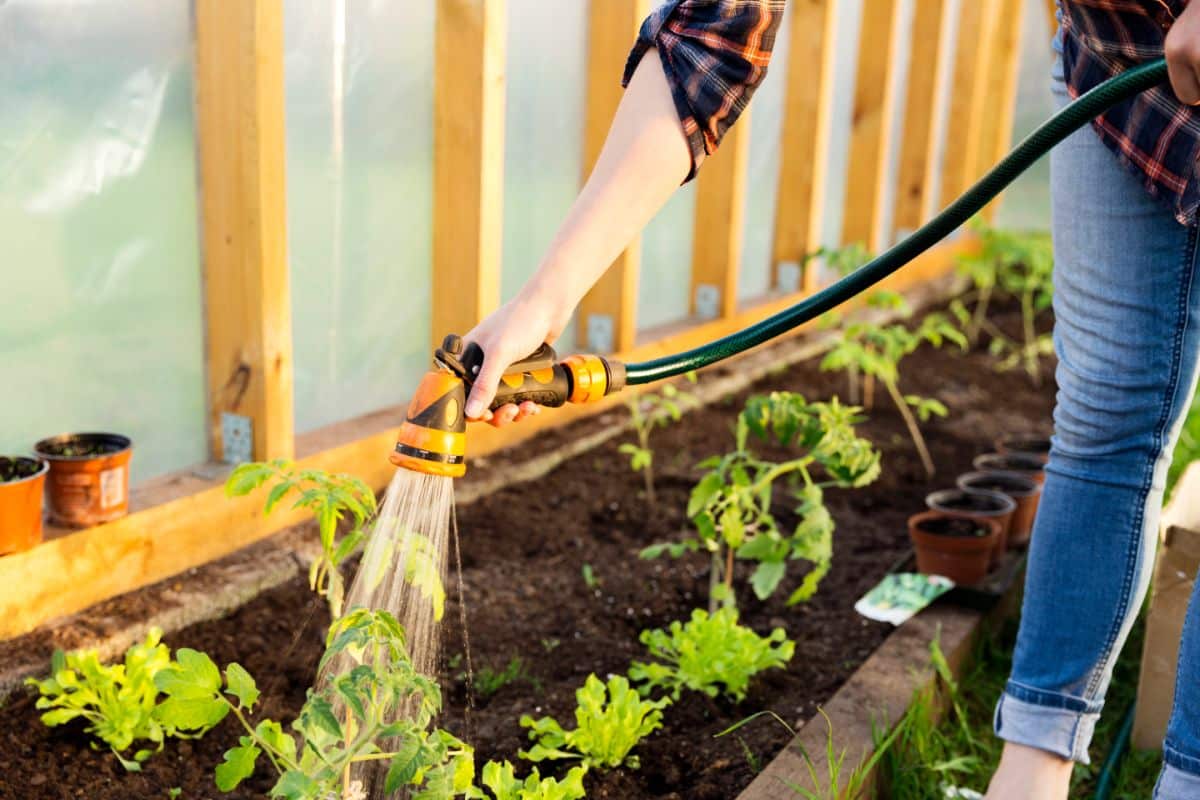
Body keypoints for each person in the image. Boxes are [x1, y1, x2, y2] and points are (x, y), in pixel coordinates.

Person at [463, 2, 1200, 798]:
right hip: (1124, 76)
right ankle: (1031, 766)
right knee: (1106, 411)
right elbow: (706, 43)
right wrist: (544, 299)